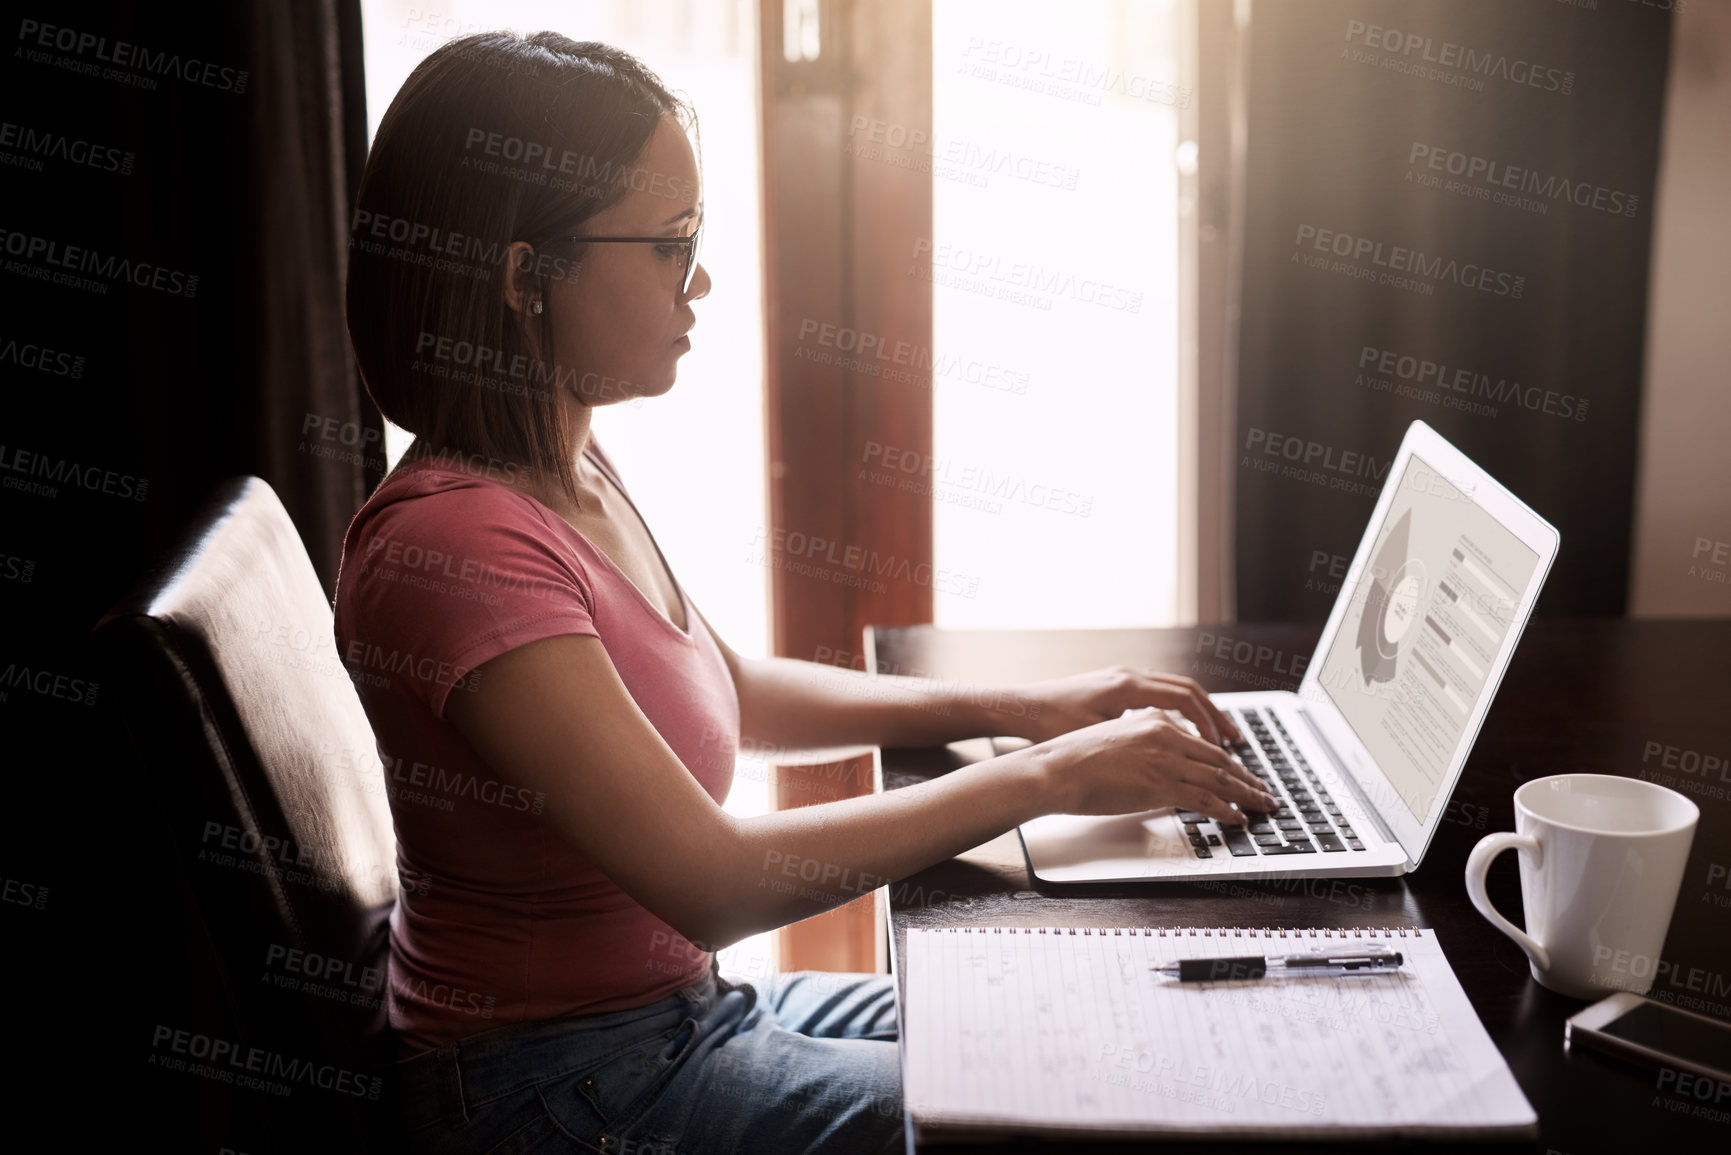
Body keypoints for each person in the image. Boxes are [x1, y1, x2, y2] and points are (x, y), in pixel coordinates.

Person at [336, 29, 1275, 1155]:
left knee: (1088, 1018)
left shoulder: (563, 465)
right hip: (560, 1088)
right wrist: (1050, 774)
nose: (702, 280)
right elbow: (715, 883)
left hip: (675, 1021)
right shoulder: (458, 548)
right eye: (669, 245)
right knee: (1073, 1112)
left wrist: (1019, 708)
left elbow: (727, 687)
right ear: (524, 280)